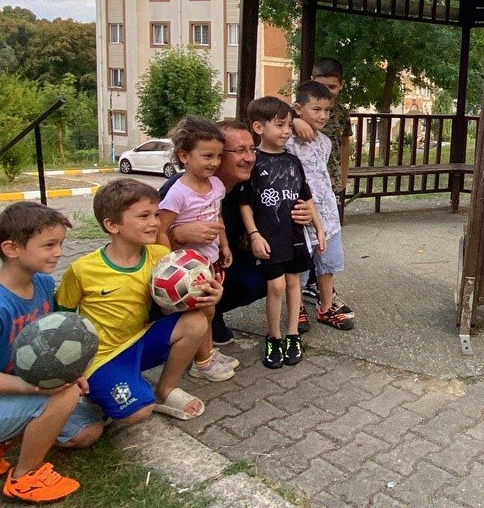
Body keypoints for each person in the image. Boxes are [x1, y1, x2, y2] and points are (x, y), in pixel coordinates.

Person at [0, 202, 103, 503]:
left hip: (8, 394)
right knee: (62, 396)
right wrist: (37, 389)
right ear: (12, 249)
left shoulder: (41, 283)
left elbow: (45, 346)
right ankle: (24, 478)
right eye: (49, 245)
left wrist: (70, 373)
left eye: (61, 244)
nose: (59, 253)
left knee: (88, 431)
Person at [58, 179, 219, 424]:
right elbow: (62, 318)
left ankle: (165, 391)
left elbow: (186, 304)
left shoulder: (161, 257)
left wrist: (209, 296)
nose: (155, 222)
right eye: (144, 216)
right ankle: (98, 390)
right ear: (112, 225)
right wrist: (71, 371)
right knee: (138, 412)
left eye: (156, 214)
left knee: (196, 321)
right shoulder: (82, 269)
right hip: (103, 356)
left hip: (141, 340)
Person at [160, 120, 314, 346]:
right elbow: (146, 240)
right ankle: (179, 326)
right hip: (185, 267)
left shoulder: (254, 183)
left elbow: (285, 205)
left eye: (252, 149)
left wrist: (302, 215)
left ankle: (212, 315)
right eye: (240, 151)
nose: (251, 158)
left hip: (222, 260)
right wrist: (179, 235)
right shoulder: (180, 190)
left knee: (266, 276)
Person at [239, 96, 326, 369]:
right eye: (280, 125)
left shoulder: (292, 161)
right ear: (258, 127)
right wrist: (254, 234)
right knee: (275, 286)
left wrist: (319, 230)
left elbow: (306, 198)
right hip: (269, 237)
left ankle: (292, 335)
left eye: (289, 125)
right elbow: (244, 203)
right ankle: (273, 336)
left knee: (294, 284)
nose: (287, 131)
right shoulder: (253, 163)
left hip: (295, 236)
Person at [157, 116, 237, 382]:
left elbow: (218, 217)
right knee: (204, 311)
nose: (214, 162)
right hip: (188, 271)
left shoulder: (216, 185)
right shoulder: (178, 193)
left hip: (210, 262)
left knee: (210, 309)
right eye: (206, 156)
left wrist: (224, 245)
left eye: (217, 156)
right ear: (184, 156)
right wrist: (170, 265)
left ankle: (208, 353)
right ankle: (202, 363)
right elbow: (161, 229)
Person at [287, 81, 355, 330]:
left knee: (327, 263)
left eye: (327, 110)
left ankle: (326, 307)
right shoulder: (286, 140)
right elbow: (264, 116)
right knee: (299, 270)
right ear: (298, 108)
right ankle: (297, 309)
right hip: (301, 218)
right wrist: (292, 120)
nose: (323, 116)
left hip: (328, 217)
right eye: (316, 109)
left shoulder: (325, 142)